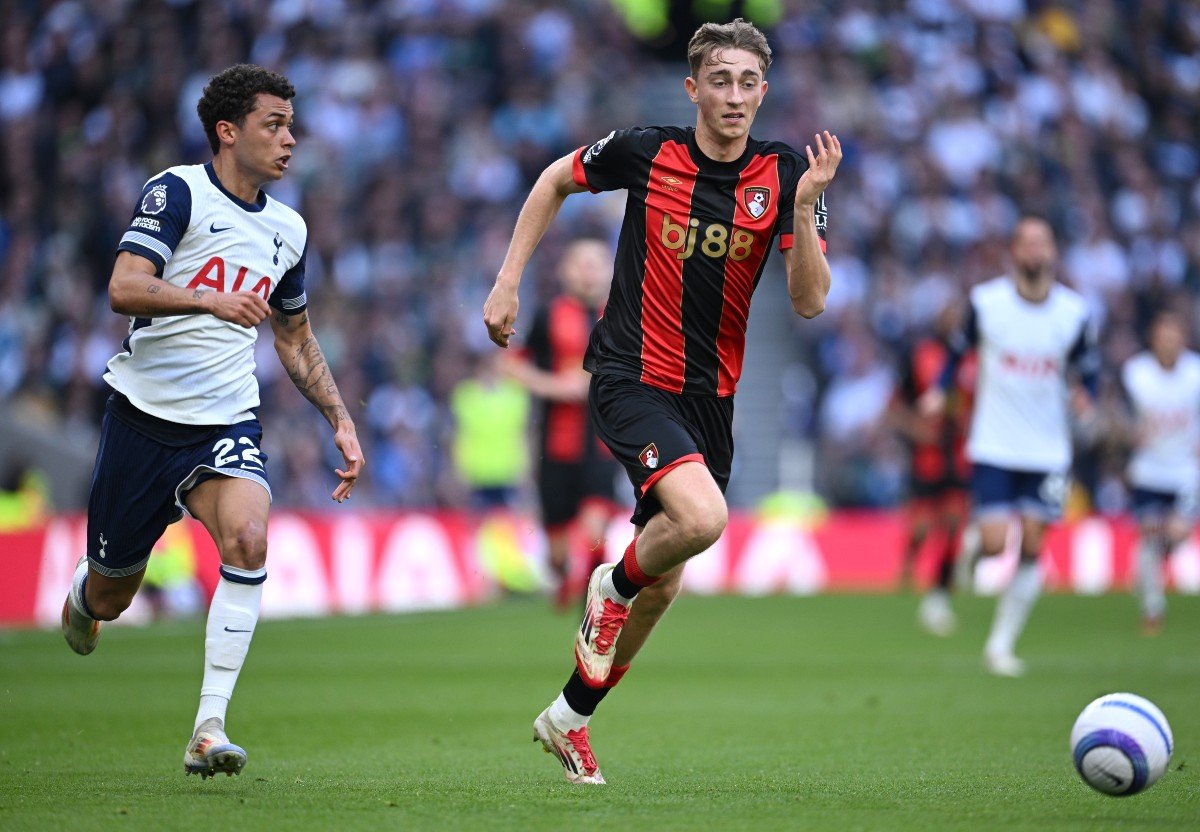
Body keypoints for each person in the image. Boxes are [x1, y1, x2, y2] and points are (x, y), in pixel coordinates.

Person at [483, 19, 839, 783]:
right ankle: (609, 584)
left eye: (748, 82)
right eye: (720, 80)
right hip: (630, 374)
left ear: (764, 92)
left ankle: (570, 716)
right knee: (702, 520)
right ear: (693, 89)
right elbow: (552, 181)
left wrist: (807, 208)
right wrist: (508, 281)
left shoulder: (786, 175)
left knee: (667, 581)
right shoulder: (646, 152)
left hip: (712, 400)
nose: (734, 95)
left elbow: (810, 301)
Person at [59, 64, 364, 778]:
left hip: (225, 420)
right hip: (142, 419)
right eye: (273, 125)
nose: (289, 140)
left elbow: (294, 336)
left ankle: (208, 727)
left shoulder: (289, 229)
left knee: (250, 540)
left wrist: (340, 418)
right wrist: (208, 300)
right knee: (112, 593)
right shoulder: (177, 192)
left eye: (291, 126)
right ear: (228, 132)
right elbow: (123, 286)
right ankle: (85, 592)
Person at [921, 216, 1098, 677]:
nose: (1036, 250)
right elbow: (956, 353)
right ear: (1014, 252)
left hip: (1048, 449)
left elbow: (1088, 369)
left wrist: (1086, 396)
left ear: (1053, 251)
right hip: (995, 443)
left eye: (1044, 242)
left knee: (1034, 544)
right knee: (997, 544)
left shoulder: (1074, 312)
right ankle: (974, 551)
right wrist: (939, 390)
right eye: (1028, 242)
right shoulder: (987, 303)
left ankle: (1000, 645)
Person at [501, 239, 621, 609]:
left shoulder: (623, 315)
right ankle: (567, 575)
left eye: (597, 264)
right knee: (557, 554)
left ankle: (597, 604)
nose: (589, 272)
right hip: (556, 445)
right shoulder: (547, 315)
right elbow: (510, 365)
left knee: (595, 529)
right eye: (582, 264)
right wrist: (557, 387)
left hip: (605, 443)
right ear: (565, 271)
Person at [888, 301, 974, 635]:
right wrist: (917, 430)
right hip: (927, 458)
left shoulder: (975, 359)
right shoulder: (919, 356)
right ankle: (907, 574)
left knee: (953, 525)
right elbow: (895, 408)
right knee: (921, 528)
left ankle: (941, 589)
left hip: (960, 457)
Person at [1120, 311, 1200, 635]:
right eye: (1163, 338)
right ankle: (1153, 607)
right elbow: (1121, 413)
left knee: (1177, 533)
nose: (1169, 344)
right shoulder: (1136, 373)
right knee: (1150, 535)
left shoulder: (1195, 373)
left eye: (1174, 337)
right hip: (1148, 470)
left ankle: (1150, 566)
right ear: (1153, 340)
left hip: (1185, 471)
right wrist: (1128, 433)